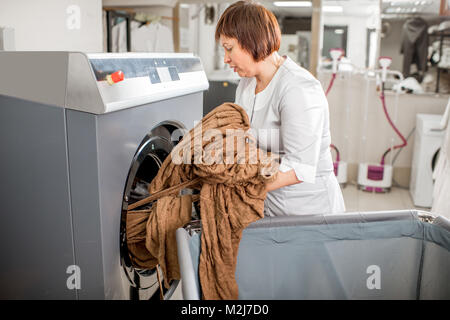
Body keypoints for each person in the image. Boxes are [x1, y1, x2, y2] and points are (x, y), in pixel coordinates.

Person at [215, 0, 345, 216]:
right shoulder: (246, 84)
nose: (226, 59)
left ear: (252, 41)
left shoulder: (298, 88)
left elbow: (298, 169)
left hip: (309, 211)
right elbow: (244, 139)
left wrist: (236, 187)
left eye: (229, 48)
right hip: (267, 206)